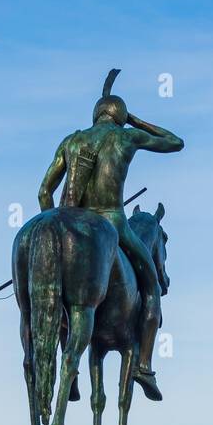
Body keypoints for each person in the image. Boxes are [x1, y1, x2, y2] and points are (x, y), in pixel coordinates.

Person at [37, 81, 182, 401]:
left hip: (73, 224)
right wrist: (136, 121)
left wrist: (57, 232)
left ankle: (70, 369)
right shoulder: (126, 137)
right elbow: (175, 142)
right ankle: (144, 367)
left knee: (59, 297)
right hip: (115, 224)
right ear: (120, 116)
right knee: (152, 288)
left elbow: (44, 192)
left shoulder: (72, 140)